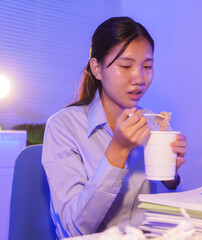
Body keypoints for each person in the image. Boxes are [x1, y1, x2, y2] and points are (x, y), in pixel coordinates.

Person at [42, 17, 187, 239]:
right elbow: (74, 228)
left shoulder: (153, 124)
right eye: (126, 66)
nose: (140, 78)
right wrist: (117, 149)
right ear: (97, 69)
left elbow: (167, 220)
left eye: (147, 66)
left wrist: (170, 176)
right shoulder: (63, 127)